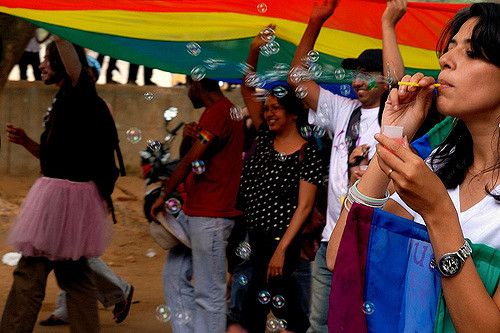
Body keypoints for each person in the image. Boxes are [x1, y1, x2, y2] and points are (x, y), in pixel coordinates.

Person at [327, 2, 500, 331]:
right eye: (448, 49)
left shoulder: (432, 183)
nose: (444, 60)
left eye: (473, 52)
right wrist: (393, 135)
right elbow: (342, 258)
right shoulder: (439, 164)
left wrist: (437, 210)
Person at [1, 37, 117, 332]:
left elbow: (68, 49)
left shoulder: (81, 93)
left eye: (47, 59)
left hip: (61, 201)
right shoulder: (64, 100)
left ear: (65, 65)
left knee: (30, 272)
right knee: (76, 278)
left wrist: (57, 28)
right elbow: (56, 157)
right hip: (72, 201)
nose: (40, 65)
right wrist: (27, 141)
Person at [287, 1, 388, 331]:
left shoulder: (396, 119)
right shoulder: (343, 110)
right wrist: (316, 20)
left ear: (386, 80)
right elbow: (297, 78)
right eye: (355, 73)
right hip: (332, 239)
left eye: (367, 73)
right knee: (319, 325)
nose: (357, 80)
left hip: (370, 243)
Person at [233, 26, 323, 333]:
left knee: (285, 314)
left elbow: (305, 206)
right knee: (257, 309)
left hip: (281, 242)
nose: (268, 113)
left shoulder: (306, 153)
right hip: (255, 237)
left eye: (275, 109)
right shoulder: (263, 135)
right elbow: (247, 90)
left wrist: (282, 249)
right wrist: (254, 49)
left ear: (293, 113)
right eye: (267, 108)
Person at [150, 77, 243, 333]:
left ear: (197, 86)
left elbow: (192, 159)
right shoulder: (219, 112)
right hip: (198, 211)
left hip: (210, 215)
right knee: (174, 275)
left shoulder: (218, 113)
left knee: (209, 292)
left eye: (188, 85)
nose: (187, 91)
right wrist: (185, 138)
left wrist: (164, 193)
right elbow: (191, 155)